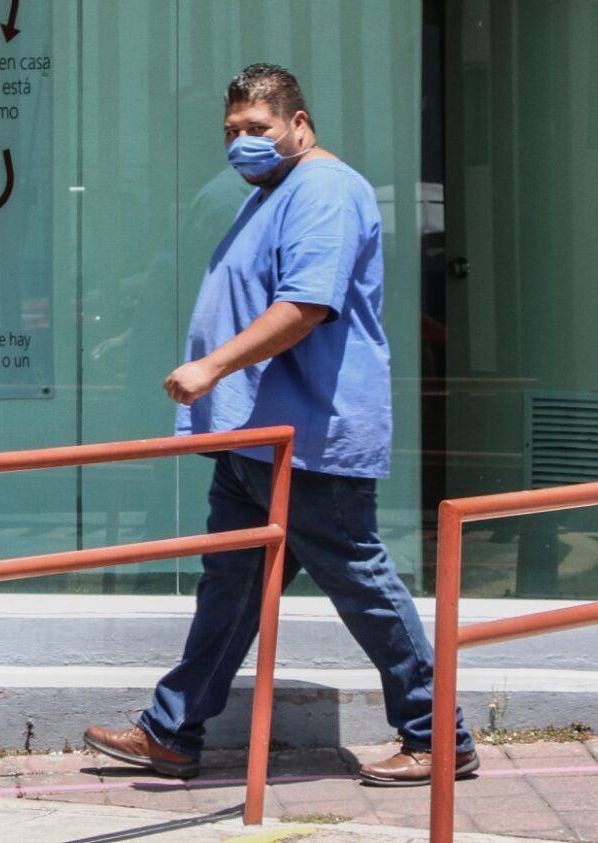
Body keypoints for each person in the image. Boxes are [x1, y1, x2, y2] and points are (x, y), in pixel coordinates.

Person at [83, 64, 476, 787]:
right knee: (229, 588)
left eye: (256, 129)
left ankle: (437, 733)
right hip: (254, 436)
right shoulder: (272, 191)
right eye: (231, 131)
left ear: (300, 124)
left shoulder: (322, 189)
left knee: (360, 580)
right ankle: (172, 729)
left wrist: (213, 368)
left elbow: (306, 306)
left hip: (307, 438)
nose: (241, 143)